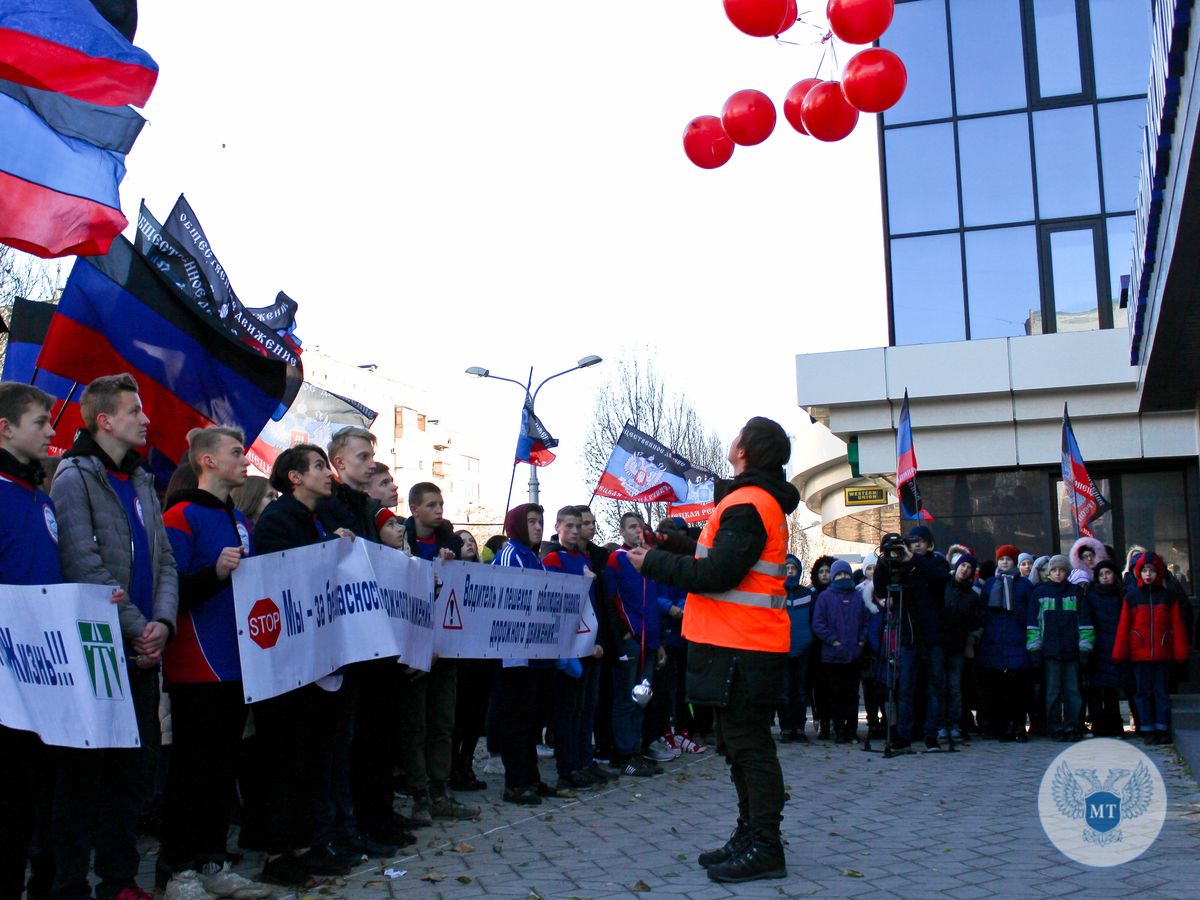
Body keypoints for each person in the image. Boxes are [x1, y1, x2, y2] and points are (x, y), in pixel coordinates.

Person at [630, 416, 797, 884]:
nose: (732, 439)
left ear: (746, 450)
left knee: (751, 749)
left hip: (744, 646)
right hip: (739, 643)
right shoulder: (751, 501)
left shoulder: (747, 504)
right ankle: (750, 835)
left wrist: (655, 563)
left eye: (739, 434)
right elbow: (715, 557)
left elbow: (718, 574)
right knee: (739, 747)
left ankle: (765, 845)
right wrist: (670, 543)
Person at [51, 373, 179, 900]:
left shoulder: (145, 483)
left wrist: (163, 625)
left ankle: (120, 880)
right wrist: (137, 629)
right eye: (135, 411)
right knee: (87, 779)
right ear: (105, 420)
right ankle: (68, 883)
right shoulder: (74, 479)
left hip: (144, 652)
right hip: (100, 652)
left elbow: (166, 562)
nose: (146, 420)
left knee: (133, 773)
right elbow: (81, 562)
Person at [158, 427, 270, 898]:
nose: (245, 460)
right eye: (235, 452)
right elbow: (170, 588)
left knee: (221, 771)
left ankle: (211, 861)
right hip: (194, 662)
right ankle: (176, 869)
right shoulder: (180, 515)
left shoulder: (237, 519)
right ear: (206, 461)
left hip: (235, 662)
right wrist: (215, 573)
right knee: (192, 770)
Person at [246, 444, 357, 887]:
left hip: (319, 657)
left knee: (314, 757)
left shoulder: (318, 518)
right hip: (288, 659)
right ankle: (278, 853)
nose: (327, 475)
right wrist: (329, 549)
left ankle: (308, 845)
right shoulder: (278, 520)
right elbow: (283, 576)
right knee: (285, 760)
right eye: (317, 467)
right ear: (294, 477)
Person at [0, 384, 74, 900]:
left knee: (41, 792)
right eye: (40, 422)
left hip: (45, 672)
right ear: (5, 428)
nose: (52, 431)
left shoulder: (38, 495)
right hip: (7, 678)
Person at [396, 482, 477, 823]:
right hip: (415, 649)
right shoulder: (401, 540)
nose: (438, 510)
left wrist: (452, 560)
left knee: (443, 722)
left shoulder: (451, 542)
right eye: (431, 505)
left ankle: (440, 791)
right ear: (415, 509)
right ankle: (419, 794)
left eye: (441, 503)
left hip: (446, 650)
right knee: (416, 725)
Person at [486, 503, 549, 805]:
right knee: (514, 719)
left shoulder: (533, 558)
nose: (538, 527)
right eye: (532, 522)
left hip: (532, 651)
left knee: (529, 718)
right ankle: (516, 783)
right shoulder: (511, 556)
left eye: (540, 522)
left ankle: (532, 779)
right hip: (512, 654)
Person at [543, 506, 609, 792]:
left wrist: (596, 641)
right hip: (568, 646)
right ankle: (567, 767)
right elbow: (558, 603)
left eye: (577, 526)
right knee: (567, 711)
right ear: (558, 527)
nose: (574, 531)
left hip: (589, 644)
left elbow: (592, 606)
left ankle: (583, 761)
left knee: (586, 708)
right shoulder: (553, 559)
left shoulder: (583, 558)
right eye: (568, 526)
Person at [871, 526, 949, 752]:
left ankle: (931, 736)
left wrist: (913, 559)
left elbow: (940, 576)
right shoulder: (902, 567)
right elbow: (881, 589)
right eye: (912, 541)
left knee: (935, 687)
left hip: (934, 636)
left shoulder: (935, 563)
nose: (916, 545)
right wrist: (884, 562)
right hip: (909, 637)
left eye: (921, 541)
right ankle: (904, 736)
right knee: (905, 688)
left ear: (930, 544)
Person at [604, 512, 666, 776]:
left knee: (642, 699)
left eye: (640, 527)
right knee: (626, 700)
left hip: (649, 643)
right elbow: (608, 599)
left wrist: (658, 641)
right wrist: (622, 632)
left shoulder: (648, 561)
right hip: (631, 643)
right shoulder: (617, 559)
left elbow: (651, 606)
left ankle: (636, 749)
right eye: (631, 527)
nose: (637, 531)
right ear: (622, 532)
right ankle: (625, 754)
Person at [1114, 552, 1189, 744]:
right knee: (1143, 692)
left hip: (1162, 654)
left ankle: (1162, 727)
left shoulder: (1167, 595)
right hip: (1139, 655)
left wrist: (1180, 652)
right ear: (1139, 572)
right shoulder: (1132, 596)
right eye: (1145, 570)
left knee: (1161, 692)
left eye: (1153, 571)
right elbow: (1124, 626)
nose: (1148, 574)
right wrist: (1120, 652)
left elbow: (1177, 625)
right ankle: (1147, 728)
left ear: (1159, 573)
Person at [1027, 555, 1094, 742]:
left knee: (1072, 690)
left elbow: (1085, 623)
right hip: (1050, 651)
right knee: (1052, 691)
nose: (1057, 574)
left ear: (1067, 572)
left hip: (1072, 651)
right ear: (1049, 572)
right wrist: (1034, 649)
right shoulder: (1039, 593)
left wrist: (1085, 649)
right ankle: (1055, 726)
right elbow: (1033, 624)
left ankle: (1072, 725)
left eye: (1062, 570)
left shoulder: (1076, 593)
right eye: (1054, 570)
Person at [450, 529, 496, 791]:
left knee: (475, 716)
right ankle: (453, 766)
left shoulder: (485, 577)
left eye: (471, 542)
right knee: (459, 715)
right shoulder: (449, 573)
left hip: (481, 658)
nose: (468, 545)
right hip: (459, 659)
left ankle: (466, 763)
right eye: (462, 542)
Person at [977, 545, 1034, 742]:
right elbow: (982, 610)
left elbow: (1030, 611)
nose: (1004, 562)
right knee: (997, 689)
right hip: (994, 642)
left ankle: (1018, 725)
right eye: (1001, 559)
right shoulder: (991, 583)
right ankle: (1001, 726)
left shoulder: (1024, 585)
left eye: (1008, 560)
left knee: (1017, 688)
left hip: (1016, 641)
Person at [812, 560, 869, 743]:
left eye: (845, 574)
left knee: (852, 695)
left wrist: (861, 641)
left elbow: (866, 622)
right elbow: (818, 624)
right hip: (832, 657)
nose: (843, 577)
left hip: (853, 655)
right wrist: (833, 641)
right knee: (835, 695)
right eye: (839, 574)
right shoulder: (825, 597)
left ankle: (851, 729)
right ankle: (839, 729)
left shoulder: (858, 597)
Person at [941, 553, 980, 743]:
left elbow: (974, 622)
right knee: (939, 686)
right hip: (939, 644)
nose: (964, 570)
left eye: (969, 567)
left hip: (958, 645)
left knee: (955, 687)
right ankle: (940, 725)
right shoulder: (943, 586)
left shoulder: (972, 595)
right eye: (963, 565)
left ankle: (954, 725)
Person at [1085, 560, 1127, 736]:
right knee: (1095, 688)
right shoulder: (1091, 596)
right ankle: (1097, 724)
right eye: (1101, 574)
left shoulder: (1121, 595)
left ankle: (1114, 724)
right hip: (1097, 647)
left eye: (1108, 573)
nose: (1105, 577)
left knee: (1111, 688)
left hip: (1116, 645)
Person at [779, 554, 813, 743]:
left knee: (800, 691)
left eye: (793, 569)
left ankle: (799, 728)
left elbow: (813, 620)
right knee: (783, 691)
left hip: (803, 649)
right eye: (786, 569)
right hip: (782, 648)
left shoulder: (807, 594)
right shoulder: (776, 594)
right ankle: (785, 728)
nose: (790, 572)